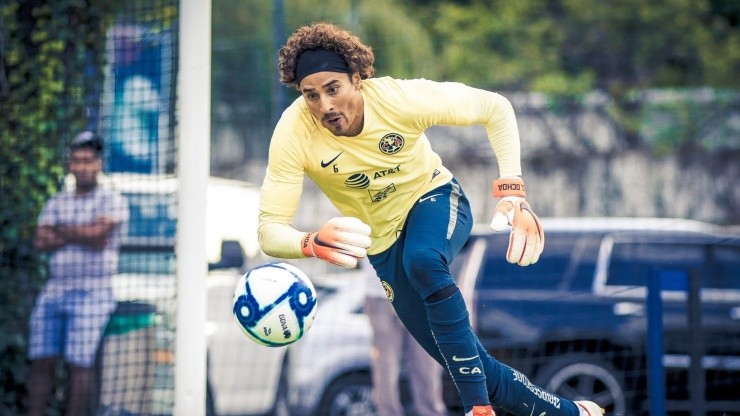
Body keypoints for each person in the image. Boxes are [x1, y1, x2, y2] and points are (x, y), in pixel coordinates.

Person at [257, 22, 605, 416]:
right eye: (311, 96)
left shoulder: (399, 99)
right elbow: (269, 230)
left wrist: (513, 191)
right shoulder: (293, 132)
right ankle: (574, 413)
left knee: (422, 260)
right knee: (465, 360)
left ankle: (478, 409)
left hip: (435, 200)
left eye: (333, 88)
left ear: (357, 79)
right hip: (384, 247)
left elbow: (496, 108)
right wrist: (309, 243)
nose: (324, 106)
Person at [28, 131, 129, 416]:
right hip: (55, 289)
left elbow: (99, 234)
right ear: (69, 164)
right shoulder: (57, 201)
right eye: (77, 160)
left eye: (89, 160)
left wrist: (62, 230)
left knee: (79, 364)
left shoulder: (112, 199)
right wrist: (84, 234)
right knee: (41, 361)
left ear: (99, 163)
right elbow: (40, 240)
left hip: (93, 292)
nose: (83, 166)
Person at [362, 258, 448, 416]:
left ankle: (430, 411)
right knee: (386, 368)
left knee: (426, 366)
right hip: (380, 292)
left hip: (419, 292)